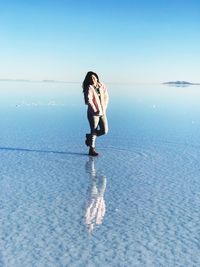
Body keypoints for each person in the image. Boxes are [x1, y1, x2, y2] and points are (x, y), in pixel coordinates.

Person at [82, 71, 109, 156]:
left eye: (94, 77)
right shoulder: (89, 88)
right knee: (93, 130)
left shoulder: (102, 86)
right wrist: (95, 110)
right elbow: (88, 101)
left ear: (97, 77)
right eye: (90, 78)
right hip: (93, 113)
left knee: (105, 130)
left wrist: (104, 108)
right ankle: (91, 149)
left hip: (102, 112)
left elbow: (106, 97)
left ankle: (89, 137)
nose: (93, 79)